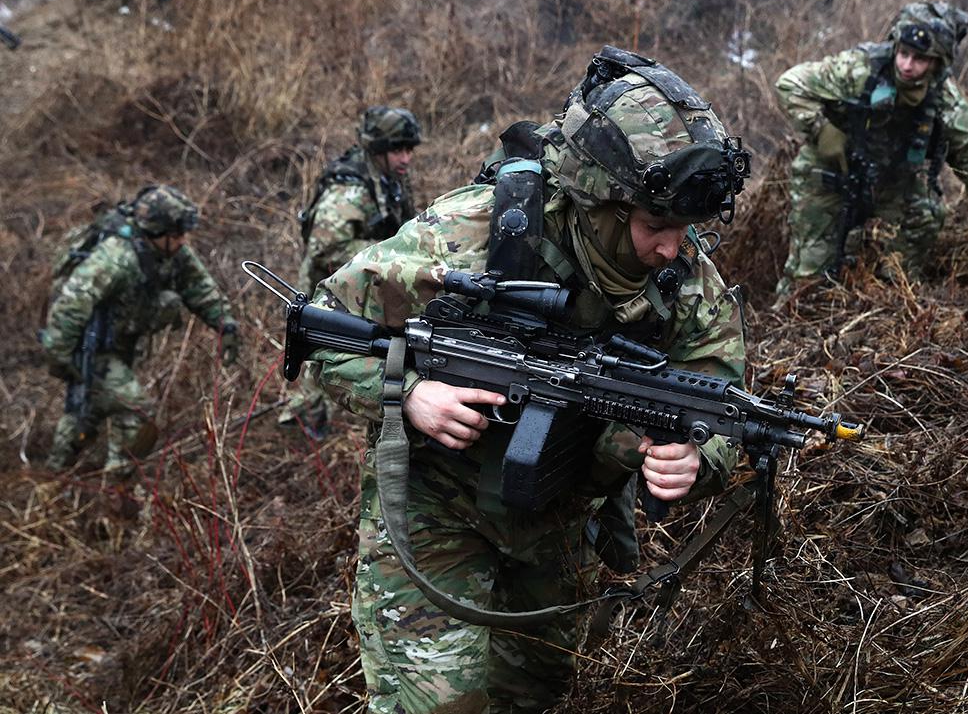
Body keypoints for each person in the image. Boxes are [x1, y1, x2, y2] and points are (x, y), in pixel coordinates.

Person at [308, 47, 749, 713]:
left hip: (560, 519)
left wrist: (697, 455)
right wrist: (407, 393)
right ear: (598, 203)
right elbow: (321, 325)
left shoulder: (681, 277)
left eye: (686, 229)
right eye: (655, 226)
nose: (672, 248)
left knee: (537, 692)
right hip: (437, 509)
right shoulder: (468, 236)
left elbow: (717, 392)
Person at [773, 0, 968, 297]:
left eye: (919, 59)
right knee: (811, 271)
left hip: (890, 179)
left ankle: (893, 289)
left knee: (926, 215)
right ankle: (794, 312)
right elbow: (790, 84)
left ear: (937, 63)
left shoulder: (943, 97)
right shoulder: (858, 69)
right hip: (830, 174)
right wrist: (822, 130)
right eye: (903, 53)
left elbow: (965, 145)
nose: (907, 65)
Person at [40, 185, 239, 474]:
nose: (184, 241)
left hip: (119, 342)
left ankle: (56, 475)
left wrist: (226, 324)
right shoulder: (115, 258)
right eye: (178, 234)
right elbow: (72, 303)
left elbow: (199, 286)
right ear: (159, 232)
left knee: (89, 410)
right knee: (135, 409)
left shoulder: (171, 249)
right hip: (88, 346)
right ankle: (119, 482)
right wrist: (59, 356)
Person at [278, 105, 422, 439]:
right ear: (377, 150)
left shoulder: (390, 178)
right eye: (398, 150)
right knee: (318, 361)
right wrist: (387, 255)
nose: (406, 158)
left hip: (361, 280)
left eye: (409, 150)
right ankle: (300, 430)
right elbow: (324, 248)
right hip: (326, 286)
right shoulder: (350, 189)